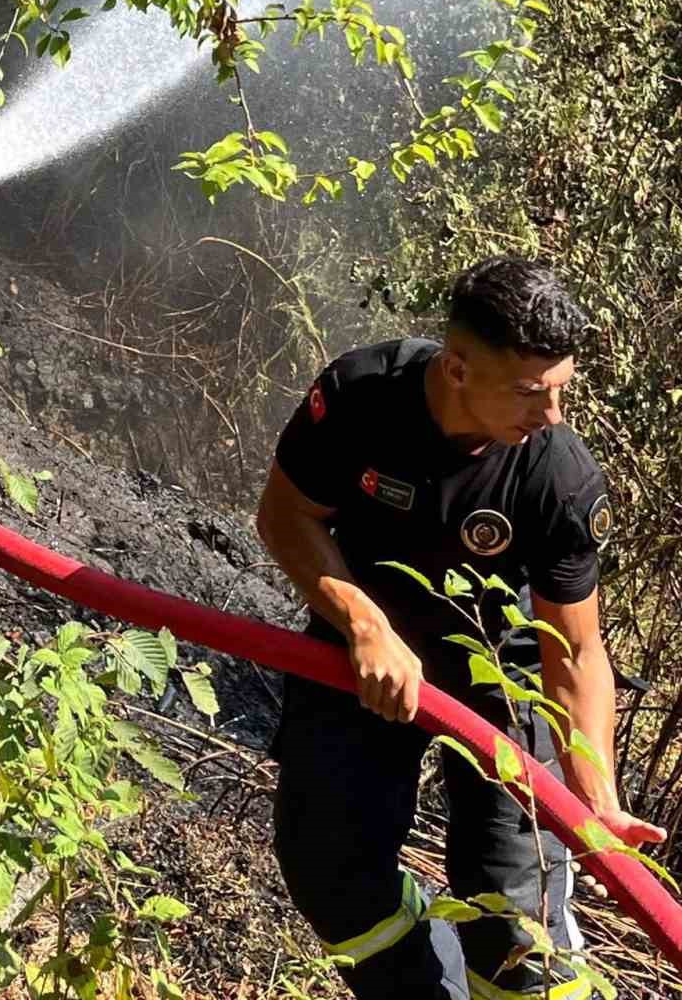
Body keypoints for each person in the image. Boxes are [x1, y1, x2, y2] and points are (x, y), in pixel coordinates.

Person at [257, 257, 662, 1000]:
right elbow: (286, 515)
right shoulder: (359, 398)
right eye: (530, 392)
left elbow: (575, 652)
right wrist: (363, 623)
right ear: (457, 369)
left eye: (561, 390)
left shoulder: (556, 474)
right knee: (327, 865)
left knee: (520, 938)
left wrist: (596, 798)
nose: (551, 415)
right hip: (360, 660)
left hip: (499, 684)